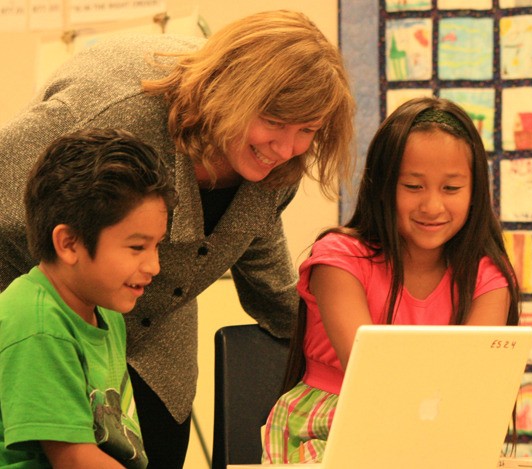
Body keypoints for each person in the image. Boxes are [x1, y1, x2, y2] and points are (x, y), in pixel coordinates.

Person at [0, 10, 355, 467]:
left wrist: (360, 356)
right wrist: (47, 321)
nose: (286, 148)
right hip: (45, 327)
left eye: (306, 131)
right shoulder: (117, 109)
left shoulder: (277, 166)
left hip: (148, 352)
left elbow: (269, 278)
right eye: (273, 122)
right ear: (233, 93)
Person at [261, 96, 521, 464]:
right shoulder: (339, 260)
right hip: (331, 426)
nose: (432, 206)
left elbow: (472, 387)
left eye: (451, 188)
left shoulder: (487, 275)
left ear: (475, 191)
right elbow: (371, 378)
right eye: (413, 186)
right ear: (383, 186)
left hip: (440, 431)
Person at [0, 128, 178, 468]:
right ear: (69, 243)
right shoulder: (38, 324)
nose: (154, 266)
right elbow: (75, 459)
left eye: (157, 245)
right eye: (137, 247)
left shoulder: (105, 312)